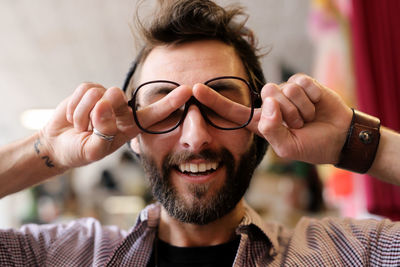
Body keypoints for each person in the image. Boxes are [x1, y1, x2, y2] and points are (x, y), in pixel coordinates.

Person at [1, 1, 400, 266]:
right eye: (165, 108)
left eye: (221, 105)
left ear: (258, 128)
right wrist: (45, 150)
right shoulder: (62, 256)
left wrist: (360, 142)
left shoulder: (351, 254)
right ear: (133, 137)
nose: (195, 137)